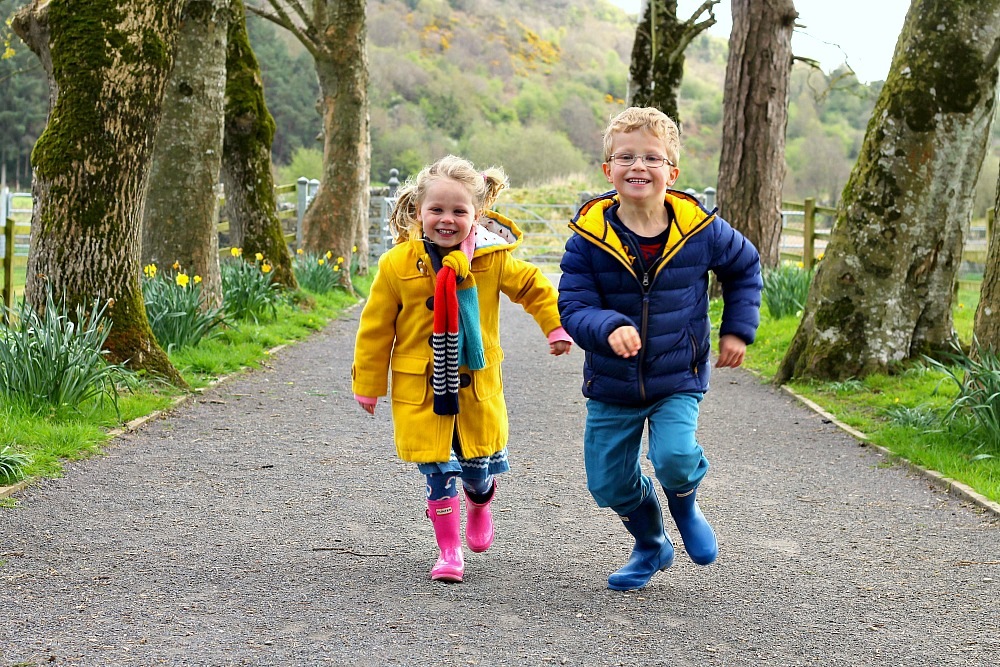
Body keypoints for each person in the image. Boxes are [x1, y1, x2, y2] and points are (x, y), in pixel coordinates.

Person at [557, 107, 762, 591]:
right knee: (607, 482)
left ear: (672, 171)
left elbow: (744, 266)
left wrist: (737, 330)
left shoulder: (701, 231)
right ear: (607, 170)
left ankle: (685, 505)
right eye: (625, 156)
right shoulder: (588, 240)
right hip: (612, 381)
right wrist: (607, 326)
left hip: (678, 376)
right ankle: (651, 541)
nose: (638, 166)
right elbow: (574, 304)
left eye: (652, 157)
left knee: (673, 456)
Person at [352, 154, 572, 583]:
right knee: (438, 472)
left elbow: (533, 287)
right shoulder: (397, 265)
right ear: (418, 212)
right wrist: (368, 383)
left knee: (476, 469)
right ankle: (449, 552)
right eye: (436, 210)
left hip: (475, 388)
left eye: (458, 211)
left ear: (477, 215)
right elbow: (375, 328)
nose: (446, 219)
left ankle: (481, 500)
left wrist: (555, 327)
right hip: (424, 389)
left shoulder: (493, 258)